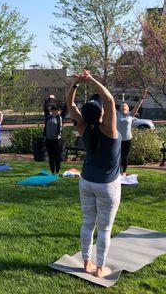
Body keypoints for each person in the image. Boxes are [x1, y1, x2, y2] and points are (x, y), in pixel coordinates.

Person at [66, 70, 121, 278]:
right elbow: (108, 99)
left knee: (88, 223)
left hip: (86, 182)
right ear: (100, 115)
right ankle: (99, 269)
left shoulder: (83, 127)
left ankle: (86, 263)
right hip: (107, 185)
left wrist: (76, 84)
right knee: (104, 229)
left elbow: (70, 105)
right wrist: (91, 79)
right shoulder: (110, 130)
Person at [117, 89, 147, 176]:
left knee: (125, 157)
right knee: (117, 156)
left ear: (128, 108)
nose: (124, 107)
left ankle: (124, 172)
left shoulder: (131, 114)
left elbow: (137, 106)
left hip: (127, 139)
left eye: (125, 106)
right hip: (118, 139)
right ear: (120, 109)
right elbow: (108, 105)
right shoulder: (117, 114)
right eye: (122, 107)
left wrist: (142, 97)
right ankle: (116, 171)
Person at [44, 103, 65, 175]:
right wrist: (49, 100)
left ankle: (57, 171)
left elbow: (65, 109)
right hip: (48, 139)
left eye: (55, 110)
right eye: (52, 110)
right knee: (51, 157)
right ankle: (52, 171)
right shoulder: (48, 117)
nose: (54, 111)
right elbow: (45, 108)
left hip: (57, 140)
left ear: (58, 110)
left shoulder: (59, 118)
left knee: (57, 157)